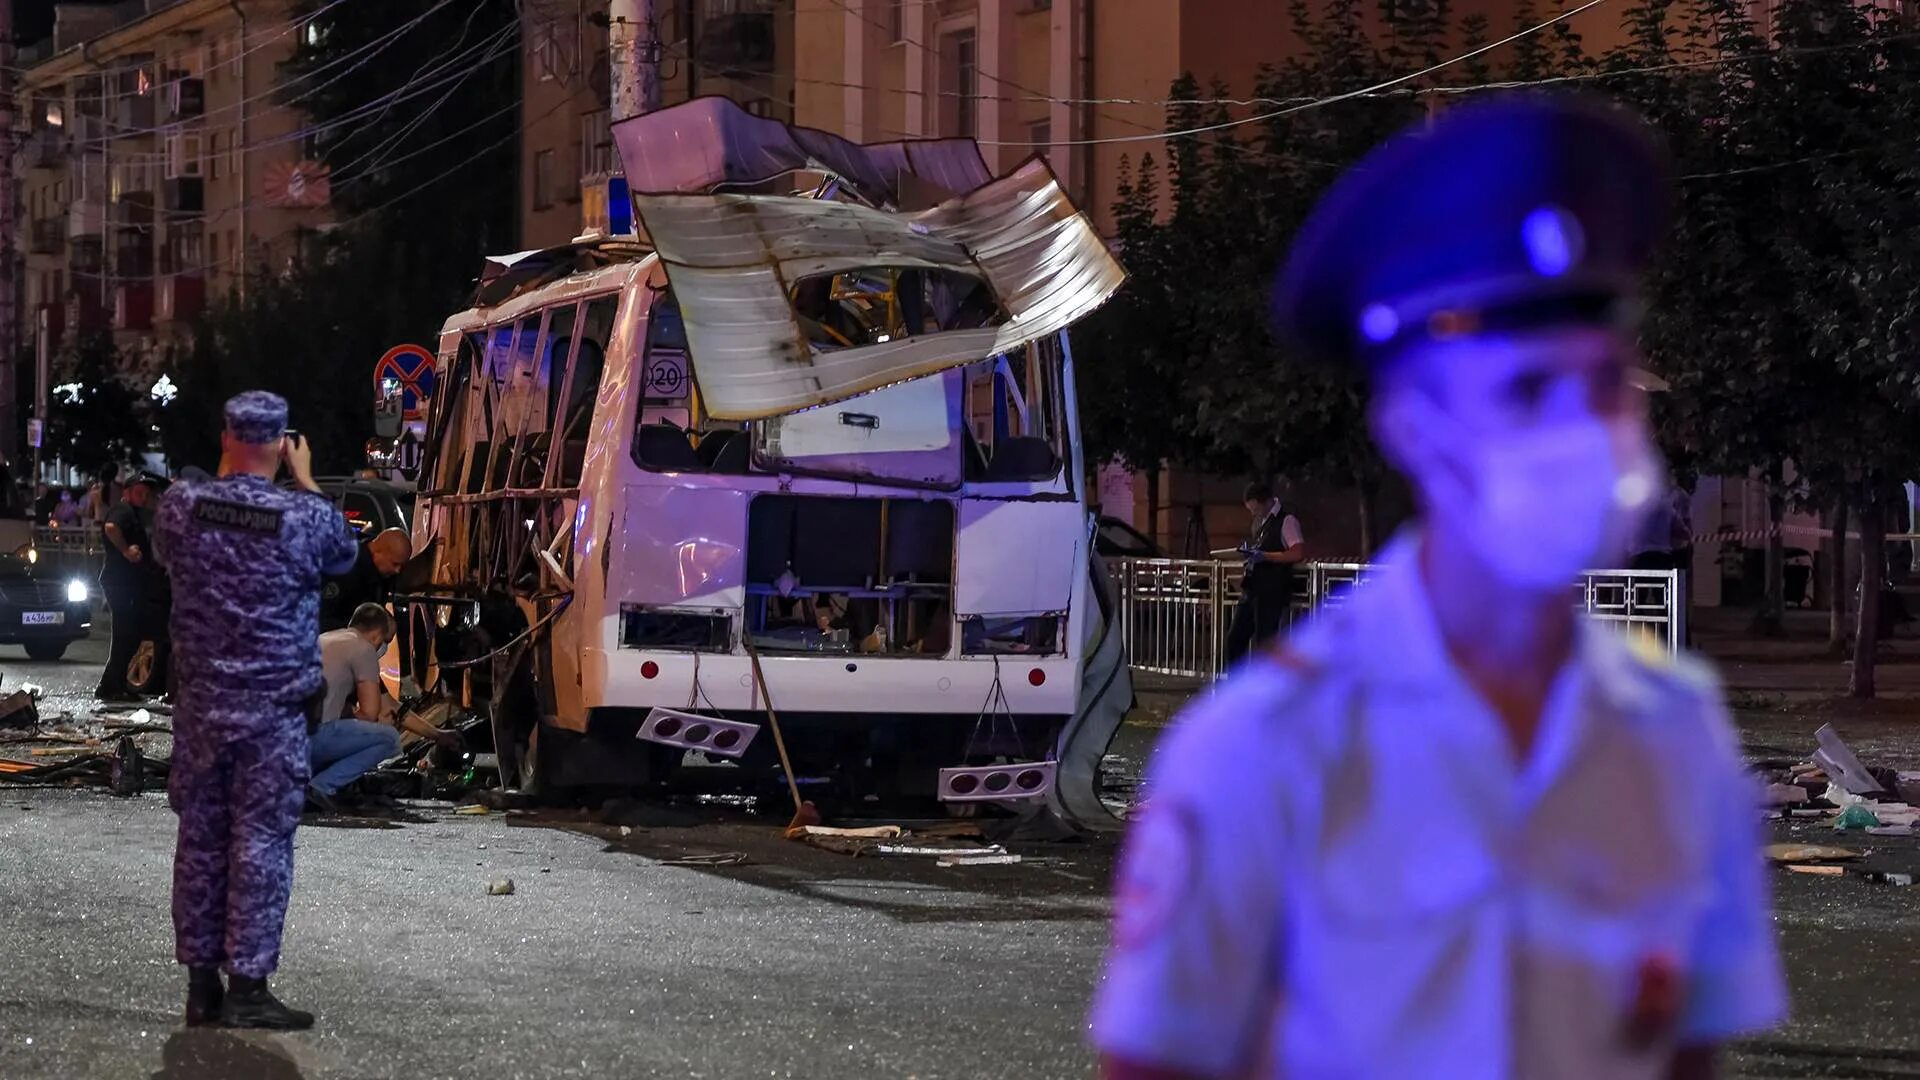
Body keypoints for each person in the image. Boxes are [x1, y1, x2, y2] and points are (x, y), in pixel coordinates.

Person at [1091, 97, 1785, 1079]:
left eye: (1603, 384)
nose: (1581, 431)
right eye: (1527, 390)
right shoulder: (1262, 749)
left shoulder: (1675, 734)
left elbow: (1683, 1056)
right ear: (1413, 427)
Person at [152, 391, 358, 1031]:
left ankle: (200, 988)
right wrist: (303, 479)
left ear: (225, 435)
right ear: (281, 441)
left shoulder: (182, 509)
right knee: (261, 845)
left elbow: (168, 549)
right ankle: (247, 987)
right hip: (272, 715)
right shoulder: (303, 517)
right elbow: (346, 556)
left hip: (203, 711)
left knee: (201, 843)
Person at [307, 602, 459, 812]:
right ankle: (322, 786)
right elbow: (371, 714)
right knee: (388, 738)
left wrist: (437, 734)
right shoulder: (363, 650)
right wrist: (350, 716)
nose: (384, 646)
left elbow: (391, 705)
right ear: (377, 635)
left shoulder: (323, 639)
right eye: (386, 640)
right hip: (313, 739)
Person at [96, 474, 164, 703]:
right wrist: (126, 551)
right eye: (139, 491)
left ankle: (110, 685)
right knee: (126, 633)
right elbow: (111, 527)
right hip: (120, 582)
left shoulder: (137, 514)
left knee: (132, 634)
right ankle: (111, 688)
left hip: (130, 584)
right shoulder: (123, 510)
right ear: (127, 491)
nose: (144, 497)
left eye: (147, 493)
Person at [1222, 480, 1306, 662]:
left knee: (1265, 643)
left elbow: (1296, 552)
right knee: (1235, 639)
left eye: (1255, 509)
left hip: (1271, 591)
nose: (1253, 513)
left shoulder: (1286, 521)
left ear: (1266, 502)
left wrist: (1265, 556)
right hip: (1252, 588)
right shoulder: (1261, 523)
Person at [318, 527, 412, 633]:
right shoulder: (342, 570)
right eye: (395, 564)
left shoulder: (379, 571)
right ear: (377, 553)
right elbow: (320, 618)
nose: (397, 570)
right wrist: (363, 629)